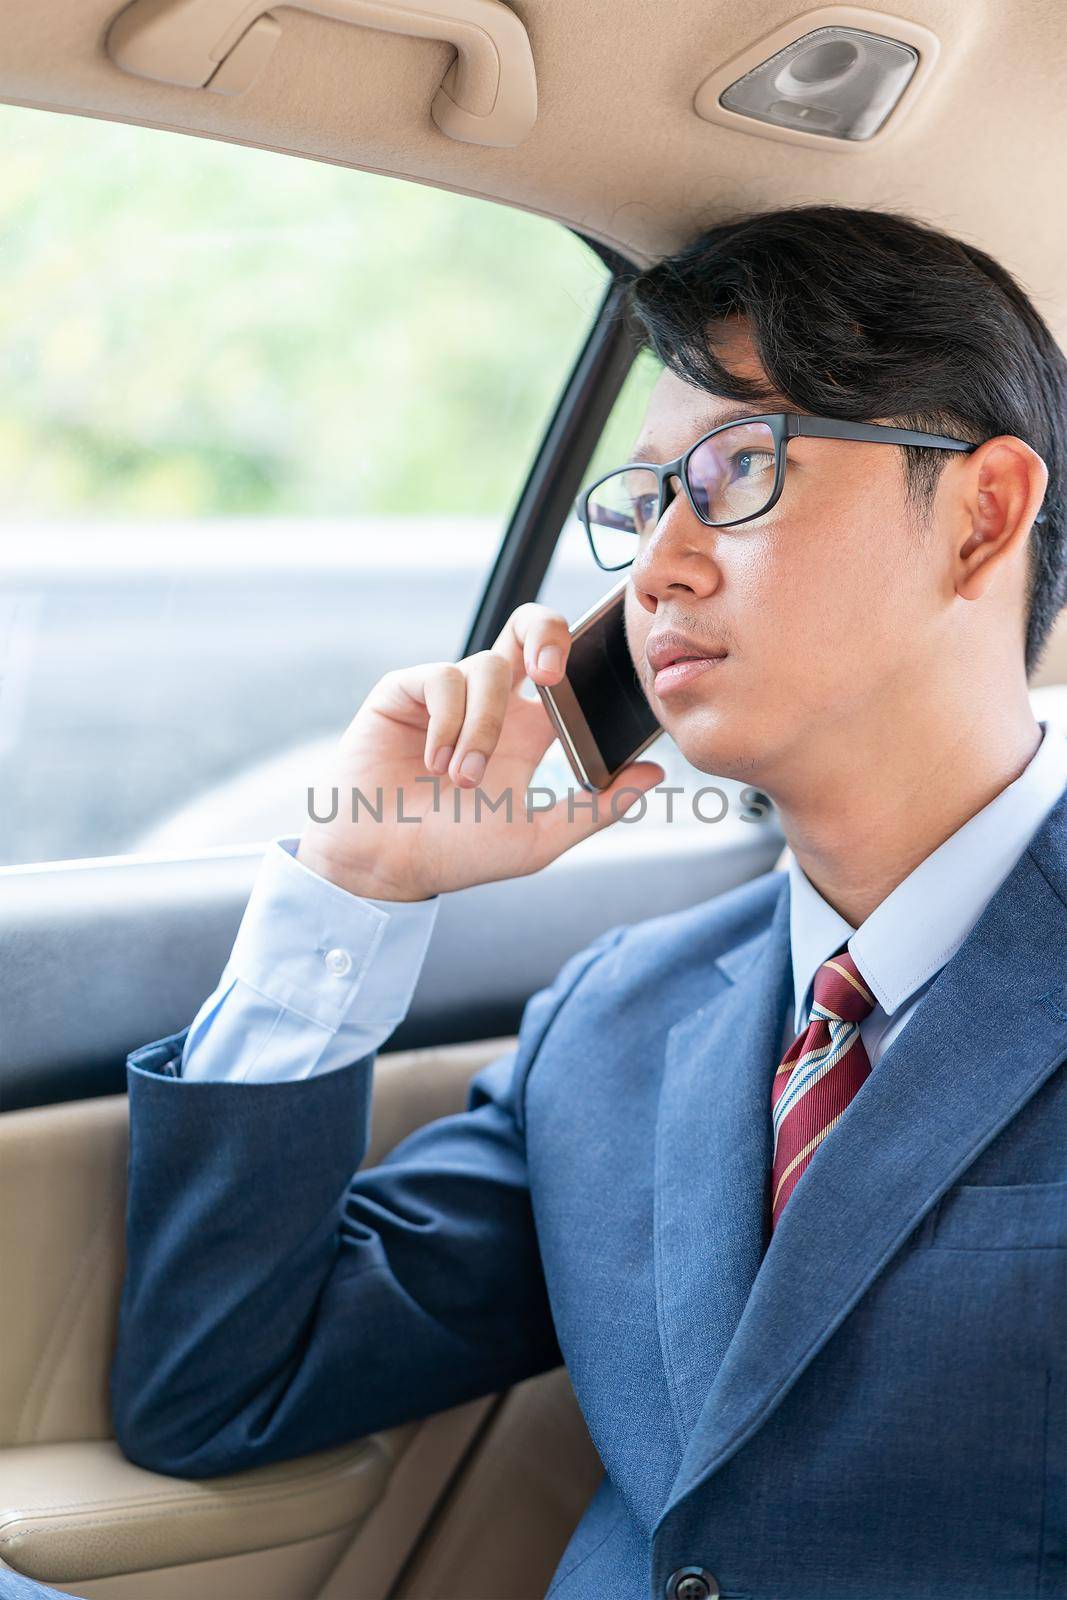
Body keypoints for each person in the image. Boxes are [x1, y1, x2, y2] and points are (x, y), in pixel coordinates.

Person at [109, 205, 1067, 1600]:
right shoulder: (621, 1019)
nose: (658, 565)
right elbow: (214, 1392)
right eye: (642, 504)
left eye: (741, 470)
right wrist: (358, 879)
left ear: (982, 518)